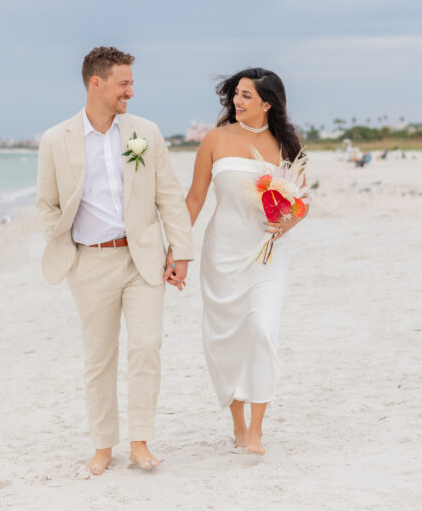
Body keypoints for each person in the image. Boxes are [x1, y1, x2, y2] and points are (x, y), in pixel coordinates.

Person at [35, 47, 194, 475]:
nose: (131, 91)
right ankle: (103, 446)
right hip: (89, 264)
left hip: (142, 260)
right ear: (96, 83)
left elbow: (168, 195)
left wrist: (181, 252)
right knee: (99, 357)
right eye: (124, 83)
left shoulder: (146, 132)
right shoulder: (55, 140)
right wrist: (64, 244)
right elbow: (46, 204)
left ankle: (140, 443)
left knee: (146, 349)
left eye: (131, 83)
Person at [180, 67, 307, 455]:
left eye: (247, 96)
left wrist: (288, 221)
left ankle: (256, 431)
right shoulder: (215, 139)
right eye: (236, 93)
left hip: (267, 254)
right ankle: (237, 424)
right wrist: (177, 247)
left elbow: (302, 203)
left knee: (261, 330)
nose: (237, 100)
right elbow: (195, 199)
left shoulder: (286, 145)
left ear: (268, 103)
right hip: (222, 253)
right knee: (228, 338)